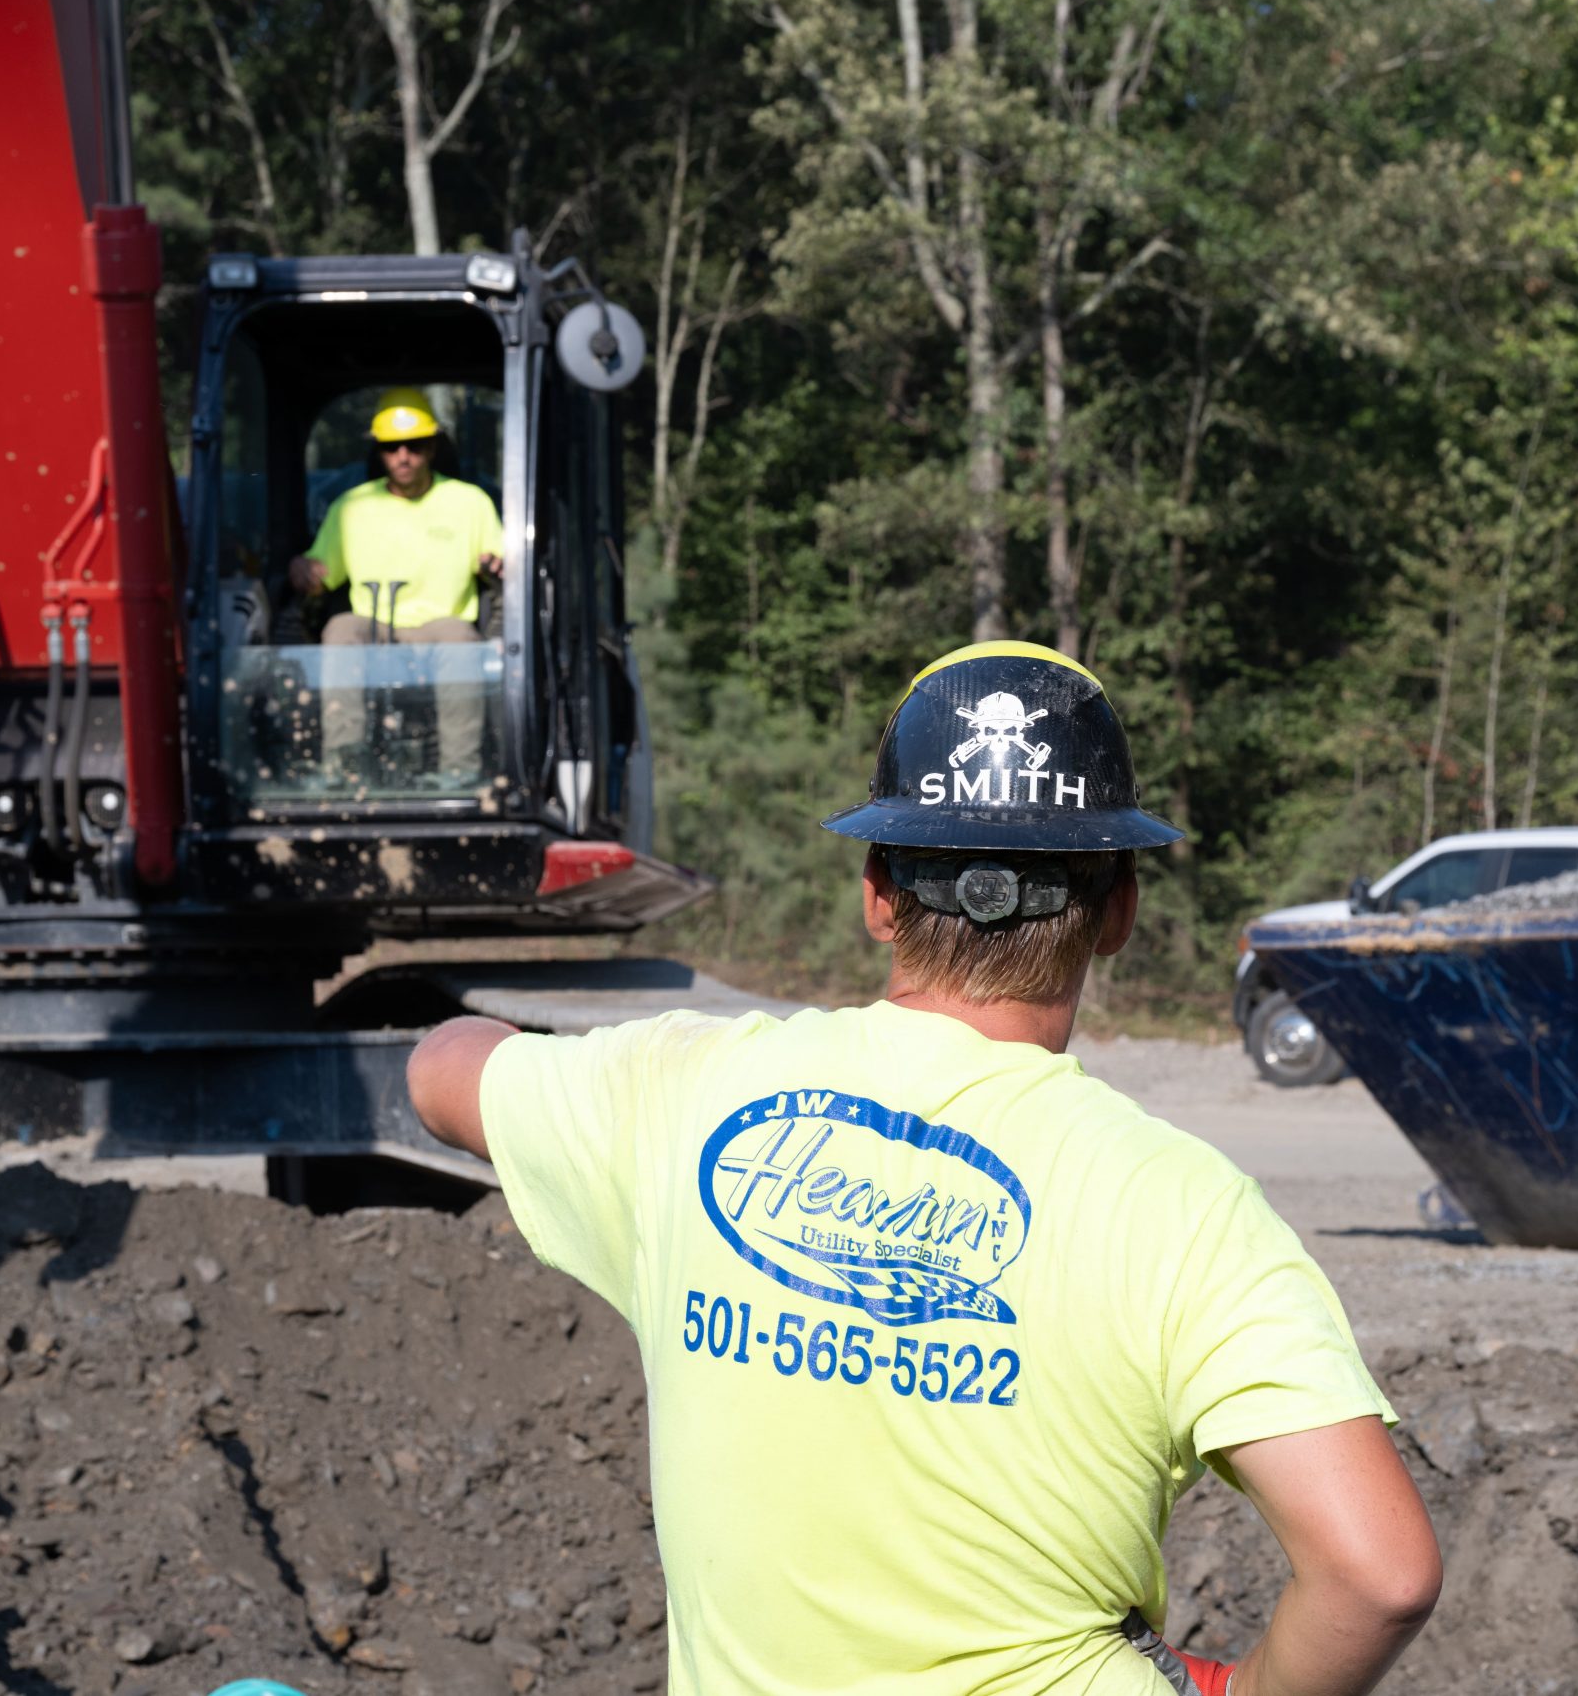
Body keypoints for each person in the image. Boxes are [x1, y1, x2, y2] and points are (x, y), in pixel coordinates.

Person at [407, 641, 1442, 1694]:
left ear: (877, 895)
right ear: (1119, 912)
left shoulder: (685, 1092)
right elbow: (1379, 1574)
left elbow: (442, 1070)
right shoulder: (1185, 1208)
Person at [286, 386, 504, 781]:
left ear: (432, 448)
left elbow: (498, 563)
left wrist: (496, 566)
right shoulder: (351, 506)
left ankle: (459, 771)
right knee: (340, 629)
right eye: (391, 447)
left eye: (415, 445)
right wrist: (305, 573)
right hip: (374, 626)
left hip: (441, 626)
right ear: (379, 452)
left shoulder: (470, 502)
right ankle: (344, 766)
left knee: (459, 639)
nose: (403, 456)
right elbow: (322, 576)